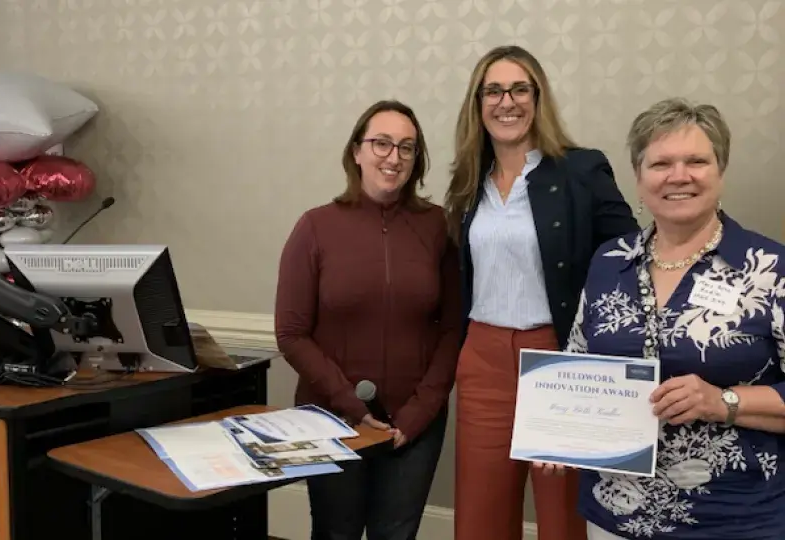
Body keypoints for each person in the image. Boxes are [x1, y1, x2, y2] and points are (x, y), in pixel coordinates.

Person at [540, 97, 785, 539]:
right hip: (615, 514)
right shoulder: (609, 262)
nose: (679, 176)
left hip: (732, 518)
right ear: (638, 178)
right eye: (661, 163)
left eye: (696, 161)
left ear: (720, 171)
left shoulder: (768, 268)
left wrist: (724, 402)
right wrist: (557, 433)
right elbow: (578, 362)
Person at [444, 44, 639, 540]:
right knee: (480, 520)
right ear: (477, 102)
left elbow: (631, 259)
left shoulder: (581, 170)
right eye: (493, 90)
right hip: (482, 360)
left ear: (538, 97)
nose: (506, 101)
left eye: (519, 89)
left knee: (562, 519)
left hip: (559, 359)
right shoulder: (468, 183)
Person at [274, 100, 461, 540]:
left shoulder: (438, 227)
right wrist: (350, 406)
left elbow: (453, 328)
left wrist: (419, 413)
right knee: (335, 533)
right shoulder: (315, 227)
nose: (393, 157)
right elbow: (292, 333)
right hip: (332, 420)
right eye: (381, 143)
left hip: (413, 426)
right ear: (356, 151)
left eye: (407, 148)